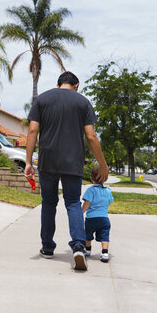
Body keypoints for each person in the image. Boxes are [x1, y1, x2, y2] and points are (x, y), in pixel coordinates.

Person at [24, 71, 109, 271]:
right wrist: (102, 164)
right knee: (72, 203)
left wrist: (28, 161)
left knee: (49, 203)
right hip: (73, 161)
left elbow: (32, 131)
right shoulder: (83, 102)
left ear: (58, 84)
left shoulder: (42, 99)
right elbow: (91, 136)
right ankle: (79, 246)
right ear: (76, 85)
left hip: (48, 160)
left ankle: (47, 248)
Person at [82, 166, 114, 262]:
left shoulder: (91, 190)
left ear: (91, 178)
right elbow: (109, 201)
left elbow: (87, 203)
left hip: (91, 219)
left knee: (87, 235)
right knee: (105, 236)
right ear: (105, 178)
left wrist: (81, 212)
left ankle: (87, 250)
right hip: (104, 219)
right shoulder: (108, 191)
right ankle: (104, 253)